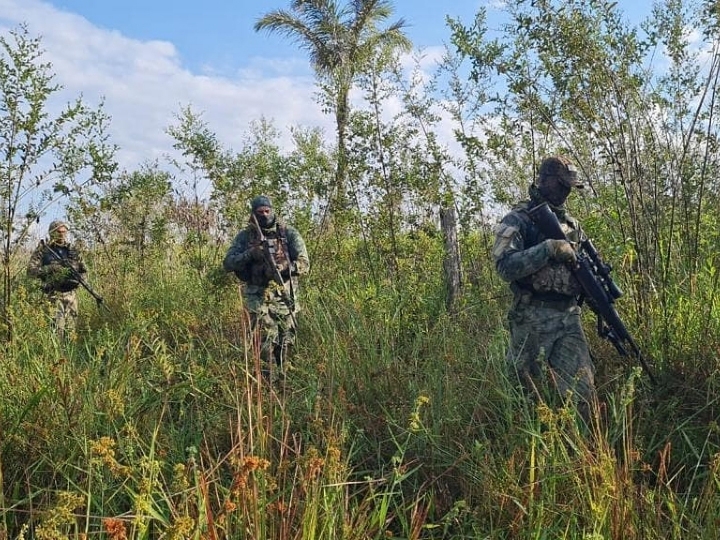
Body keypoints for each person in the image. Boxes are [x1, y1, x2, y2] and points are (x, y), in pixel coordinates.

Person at [492, 156, 597, 423]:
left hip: (569, 318)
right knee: (527, 400)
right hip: (532, 319)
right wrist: (547, 249)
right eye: (561, 184)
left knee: (582, 394)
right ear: (544, 180)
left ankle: (583, 457)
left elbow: (586, 269)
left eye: (569, 186)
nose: (566, 191)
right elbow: (504, 266)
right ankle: (525, 458)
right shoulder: (520, 219)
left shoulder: (572, 225)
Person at [223, 195, 310, 379]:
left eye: (267, 211)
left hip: (285, 296)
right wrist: (250, 254)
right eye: (259, 212)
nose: (264, 215)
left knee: (286, 342)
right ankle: (266, 383)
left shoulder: (288, 233)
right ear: (253, 214)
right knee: (263, 343)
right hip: (258, 298)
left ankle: (285, 382)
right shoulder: (245, 237)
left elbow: (304, 263)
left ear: (272, 211)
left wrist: (286, 266)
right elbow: (228, 263)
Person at [27, 220, 87, 340]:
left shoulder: (73, 250)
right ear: (51, 233)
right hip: (53, 295)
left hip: (71, 296)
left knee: (71, 333)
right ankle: (57, 357)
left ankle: (71, 357)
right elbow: (30, 271)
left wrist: (79, 281)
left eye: (64, 232)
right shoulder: (43, 250)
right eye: (59, 232)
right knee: (57, 332)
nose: (62, 234)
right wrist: (50, 268)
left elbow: (84, 271)